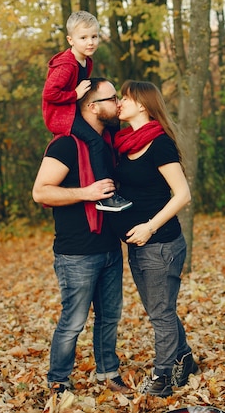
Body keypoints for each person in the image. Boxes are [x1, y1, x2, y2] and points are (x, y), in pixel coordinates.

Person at [33, 77, 133, 398]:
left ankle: (108, 372)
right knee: (73, 322)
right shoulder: (65, 145)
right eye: (111, 98)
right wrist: (86, 192)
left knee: (109, 318)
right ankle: (59, 380)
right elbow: (41, 192)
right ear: (91, 107)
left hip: (109, 246)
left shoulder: (109, 143)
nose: (117, 103)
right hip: (76, 252)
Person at [110, 80, 199, 397]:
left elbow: (183, 194)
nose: (120, 102)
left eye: (126, 97)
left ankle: (162, 378)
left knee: (160, 314)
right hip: (138, 246)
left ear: (143, 105)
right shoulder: (125, 143)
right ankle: (184, 357)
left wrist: (149, 226)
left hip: (161, 244)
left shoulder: (159, 144)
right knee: (160, 311)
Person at [42, 10, 132, 212]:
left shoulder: (86, 60)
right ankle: (105, 198)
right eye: (83, 38)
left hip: (71, 110)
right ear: (70, 40)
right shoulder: (67, 65)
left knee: (112, 127)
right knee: (95, 141)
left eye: (94, 36)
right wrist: (73, 95)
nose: (90, 42)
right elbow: (49, 93)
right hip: (61, 116)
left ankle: (120, 177)